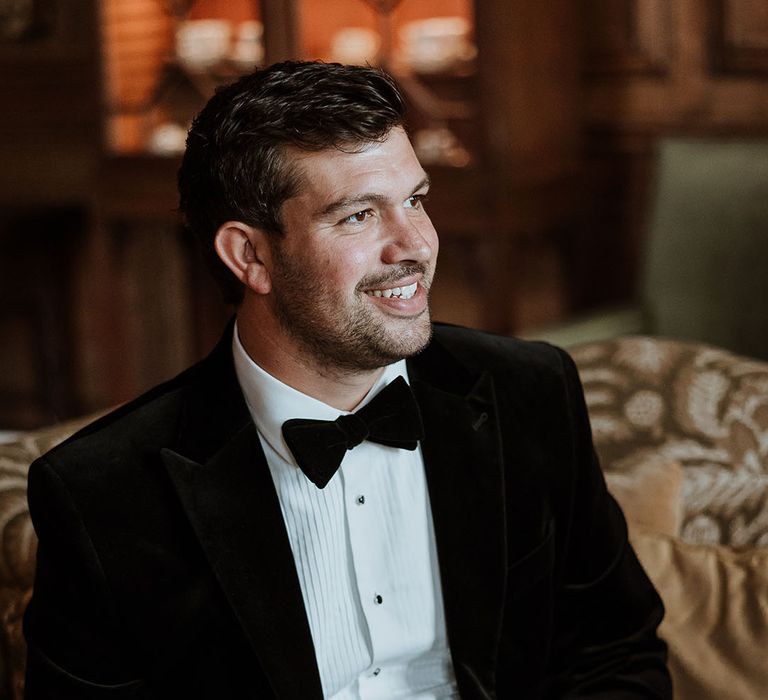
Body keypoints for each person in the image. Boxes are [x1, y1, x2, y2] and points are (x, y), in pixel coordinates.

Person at [23, 61, 672, 699]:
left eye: (415, 200)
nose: (414, 244)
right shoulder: (101, 493)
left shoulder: (530, 392)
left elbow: (615, 653)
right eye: (359, 216)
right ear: (249, 255)